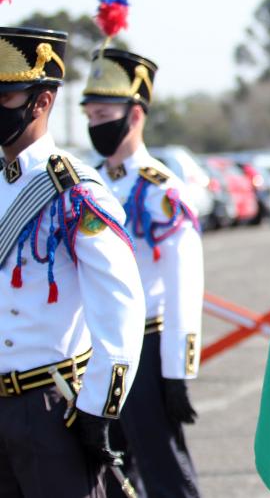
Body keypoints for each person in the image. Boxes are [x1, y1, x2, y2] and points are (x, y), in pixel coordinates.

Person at [0, 26, 146, 497]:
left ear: (41, 102)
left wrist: (99, 407)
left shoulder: (74, 192)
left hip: (49, 406)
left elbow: (120, 304)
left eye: (4, 97)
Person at [82, 47, 203, 498]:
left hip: (149, 349)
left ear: (135, 114)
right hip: (96, 349)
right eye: (90, 116)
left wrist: (177, 371)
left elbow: (183, 287)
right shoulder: (87, 183)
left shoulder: (162, 189)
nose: (95, 125)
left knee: (164, 468)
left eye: (104, 114)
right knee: (107, 471)